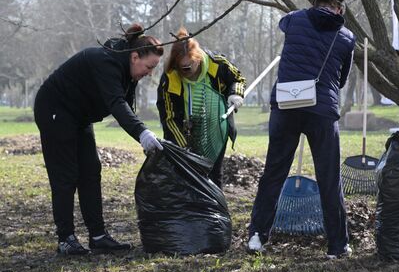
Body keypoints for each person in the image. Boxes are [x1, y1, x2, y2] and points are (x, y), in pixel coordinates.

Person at [247, 0, 356, 259]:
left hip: (286, 105)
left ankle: (257, 236)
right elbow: (341, 81)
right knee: (329, 178)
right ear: (340, 9)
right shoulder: (346, 37)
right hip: (322, 109)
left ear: (315, 1)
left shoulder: (294, 19)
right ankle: (337, 245)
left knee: (274, 172)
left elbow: (284, 24)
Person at [34, 23, 165, 255]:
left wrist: (143, 135)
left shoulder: (127, 73)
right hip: (55, 109)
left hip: (79, 116)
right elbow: (116, 104)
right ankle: (66, 239)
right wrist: (142, 133)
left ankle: (98, 236)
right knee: (66, 175)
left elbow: (127, 108)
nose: (150, 73)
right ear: (135, 57)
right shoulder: (106, 62)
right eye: (149, 66)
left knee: (91, 171)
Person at [156, 26, 246, 189]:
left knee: (213, 174)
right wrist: (183, 148)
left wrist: (236, 94)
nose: (185, 72)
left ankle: (215, 212)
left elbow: (238, 78)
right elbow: (169, 118)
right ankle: (193, 212)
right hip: (186, 131)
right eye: (180, 68)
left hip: (217, 126)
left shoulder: (217, 63)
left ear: (198, 58)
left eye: (188, 67)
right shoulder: (170, 79)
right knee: (190, 178)